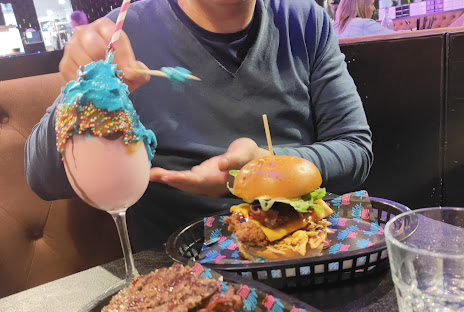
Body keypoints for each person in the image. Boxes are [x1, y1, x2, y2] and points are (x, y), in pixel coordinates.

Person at [25, 0, 373, 251]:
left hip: (307, 253)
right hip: (178, 266)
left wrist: (263, 164)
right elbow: (44, 179)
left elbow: (355, 149)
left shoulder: (306, 21)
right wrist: (84, 92)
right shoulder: (121, 34)